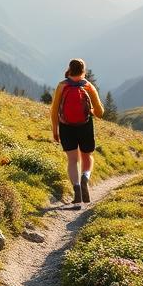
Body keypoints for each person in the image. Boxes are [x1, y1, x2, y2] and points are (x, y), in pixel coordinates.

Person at [50, 58, 104, 208]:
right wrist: (91, 110)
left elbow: (54, 111)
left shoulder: (62, 85)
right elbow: (100, 113)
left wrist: (55, 130)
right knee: (87, 157)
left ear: (70, 69)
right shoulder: (88, 86)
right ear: (83, 70)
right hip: (85, 126)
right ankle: (85, 178)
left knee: (73, 160)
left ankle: (77, 189)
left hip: (66, 126)